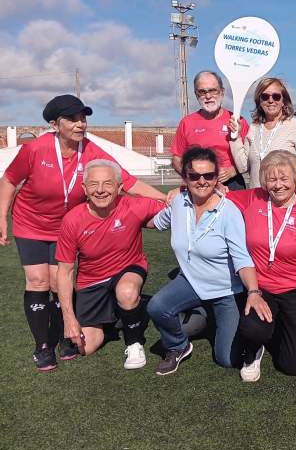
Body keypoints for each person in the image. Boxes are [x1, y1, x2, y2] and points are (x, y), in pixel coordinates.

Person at [0, 94, 165, 372]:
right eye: (73, 119)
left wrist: (165, 199)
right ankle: (42, 346)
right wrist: (2, 216)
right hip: (31, 223)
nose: (81, 124)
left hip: (66, 226)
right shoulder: (35, 150)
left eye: (83, 118)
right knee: (38, 280)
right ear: (55, 124)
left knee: (57, 282)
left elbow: (128, 182)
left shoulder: (91, 150)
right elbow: (9, 180)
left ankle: (70, 330)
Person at [147, 147, 259, 376]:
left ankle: (220, 322)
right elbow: (155, 222)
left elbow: (241, 257)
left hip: (226, 290)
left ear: (216, 178)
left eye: (208, 175)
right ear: (185, 178)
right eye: (194, 176)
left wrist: (254, 291)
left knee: (227, 359)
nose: (201, 181)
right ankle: (179, 346)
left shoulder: (229, 212)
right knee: (157, 307)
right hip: (191, 281)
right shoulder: (178, 202)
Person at [228, 150, 296, 382]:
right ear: (264, 181)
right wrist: (180, 190)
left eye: (284, 178)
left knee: (293, 366)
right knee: (253, 329)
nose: (278, 185)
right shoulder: (253, 198)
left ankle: (288, 328)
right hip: (263, 289)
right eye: (272, 179)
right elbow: (217, 194)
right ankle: (255, 349)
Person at [56, 160, 164, 369]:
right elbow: (65, 272)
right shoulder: (72, 220)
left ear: (119, 187)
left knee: (126, 291)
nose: (100, 190)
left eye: (107, 184)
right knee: (85, 347)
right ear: (84, 188)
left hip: (128, 270)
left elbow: (176, 203)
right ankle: (125, 312)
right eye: (94, 184)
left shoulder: (134, 205)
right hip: (92, 281)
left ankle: (134, 343)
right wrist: (69, 318)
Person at [171, 71, 250, 190]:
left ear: (222, 92)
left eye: (213, 90)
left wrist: (233, 171)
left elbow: (250, 156)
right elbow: (176, 159)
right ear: (196, 94)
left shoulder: (238, 121)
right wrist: (192, 176)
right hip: (200, 185)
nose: (208, 96)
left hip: (232, 183)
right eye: (202, 92)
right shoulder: (187, 123)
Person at [229, 77, 296, 188]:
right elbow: (242, 166)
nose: (271, 100)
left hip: (283, 199)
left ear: (283, 101)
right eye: (265, 97)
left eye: (276, 96)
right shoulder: (254, 128)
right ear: (259, 101)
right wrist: (235, 137)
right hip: (257, 198)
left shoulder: (295, 126)